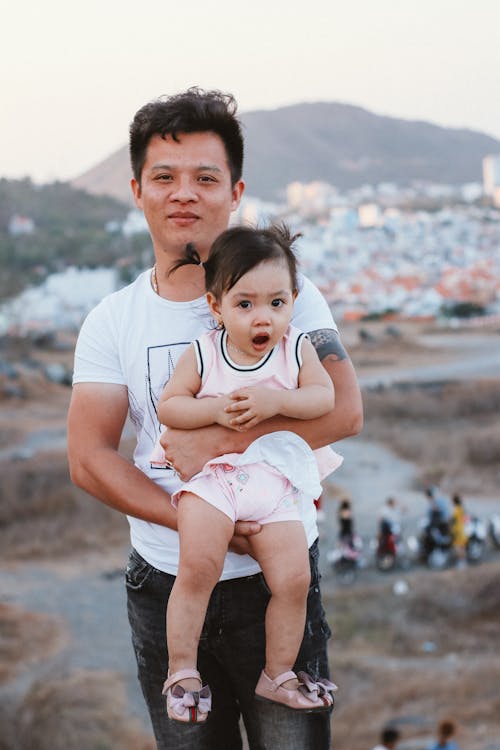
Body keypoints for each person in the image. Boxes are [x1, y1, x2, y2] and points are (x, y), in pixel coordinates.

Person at [67, 87, 363, 750]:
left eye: (205, 177)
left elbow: (343, 409)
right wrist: (203, 520)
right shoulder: (112, 321)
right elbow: (89, 459)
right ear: (138, 187)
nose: (184, 194)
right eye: (165, 177)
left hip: (276, 576)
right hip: (168, 580)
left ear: (235, 191)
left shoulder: (283, 293)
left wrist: (230, 441)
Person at [157, 225, 339, 721]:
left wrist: (279, 399)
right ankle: (181, 671)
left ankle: (277, 672)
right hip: (215, 481)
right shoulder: (204, 352)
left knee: (294, 579)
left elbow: (325, 398)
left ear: (294, 301)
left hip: (275, 485)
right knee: (197, 568)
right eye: (245, 305)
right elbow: (170, 407)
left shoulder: (295, 348)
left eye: (277, 303)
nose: (264, 317)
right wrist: (214, 411)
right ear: (216, 306)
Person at [450, 495, 468, 568]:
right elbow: (465, 520)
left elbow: (452, 520)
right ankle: (463, 561)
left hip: (458, 531)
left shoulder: (456, 509)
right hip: (462, 530)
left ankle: (462, 561)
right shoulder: (461, 508)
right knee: (462, 547)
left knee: (458, 547)